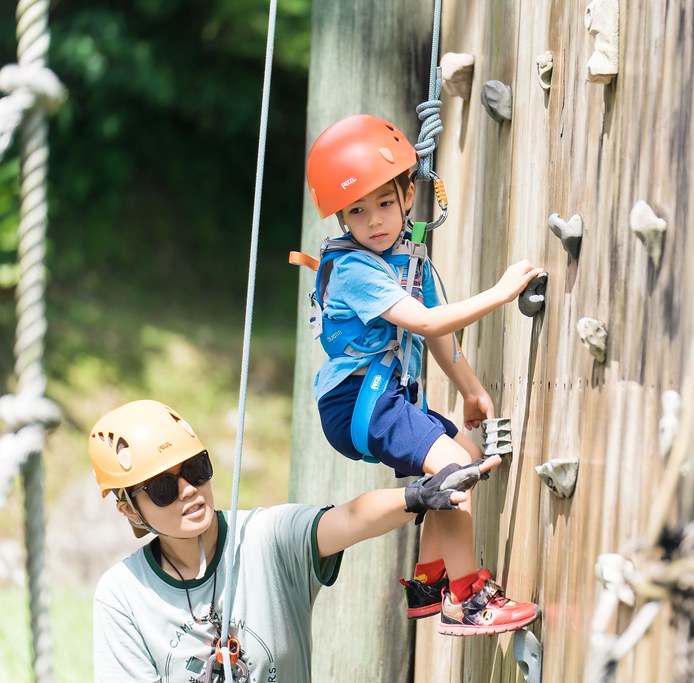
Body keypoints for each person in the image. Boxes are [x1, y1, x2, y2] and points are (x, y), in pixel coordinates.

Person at [303, 114, 544, 635]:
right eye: (357, 211)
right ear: (342, 217)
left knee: (469, 460)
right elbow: (428, 319)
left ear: (408, 196)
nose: (374, 221)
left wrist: (472, 390)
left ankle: (429, 580)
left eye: (385, 204)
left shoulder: (408, 258)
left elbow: (439, 336)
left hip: (387, 396)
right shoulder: (356, 270)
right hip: (356, 405)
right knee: (454, 471)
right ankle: (470, 600)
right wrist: (501, 294)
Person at [89, 399, 498, 682]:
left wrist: (417, 495)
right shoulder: (123, 596)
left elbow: (349, 520)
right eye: (162, 487)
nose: (188, 491)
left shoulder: (266, 538)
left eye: (196, 469)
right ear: (129, 509)